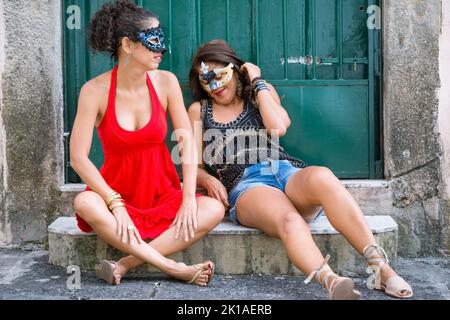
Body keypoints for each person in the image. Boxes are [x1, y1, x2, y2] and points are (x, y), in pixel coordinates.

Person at [186, 39, 413, 299]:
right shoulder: (199, 111)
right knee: (289, 219)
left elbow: (279, 126)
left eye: (220, 76)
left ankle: (382, 270)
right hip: (248, 186)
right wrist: (209, 180)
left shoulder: (259, 92)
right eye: (206, 80)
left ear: (236, 70)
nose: (215, 86)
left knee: (323, 176)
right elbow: (194, 167)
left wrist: (257, 82)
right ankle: (332, 282)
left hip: (285, 170)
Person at [70, 0, 224, 286]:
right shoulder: (93, 91)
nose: (161, 48)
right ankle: (174, 267)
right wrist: (114, 203)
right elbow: (78, 158)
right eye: (153, 40)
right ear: (127, 45)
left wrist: (189, 197)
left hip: (161, 191)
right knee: (84, 202)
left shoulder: (165, 82)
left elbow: (186, 141)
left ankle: (126, 264)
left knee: (213, 208)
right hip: (117, 195)